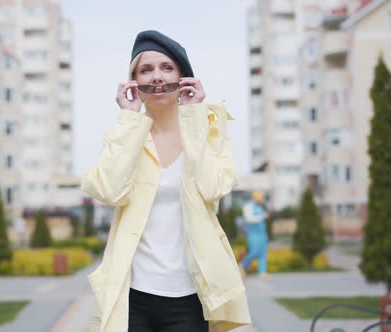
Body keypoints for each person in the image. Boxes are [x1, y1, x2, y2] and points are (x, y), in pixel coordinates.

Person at [81, 30, 250, 332]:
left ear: (183, 77)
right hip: (131, 294)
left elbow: (214, 189)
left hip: (189, 294)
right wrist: (129, 120)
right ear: (134, 82)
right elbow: (109, 191)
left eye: (167, 68)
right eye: (146, 69)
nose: (157, 77)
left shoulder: (209, 130)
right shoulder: (126, 133)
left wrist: (195, 117)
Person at [239, 191, 270, 280]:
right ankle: (241, 266)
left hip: (262, 235)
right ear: (256, 198)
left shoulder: (259, 207)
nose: (262, 200)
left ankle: (262, 272)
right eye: (261, 198)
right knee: (254, 252)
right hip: (254, 235)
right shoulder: (248, 206)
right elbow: (249, 219)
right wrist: (262, 216)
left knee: (263, 254)